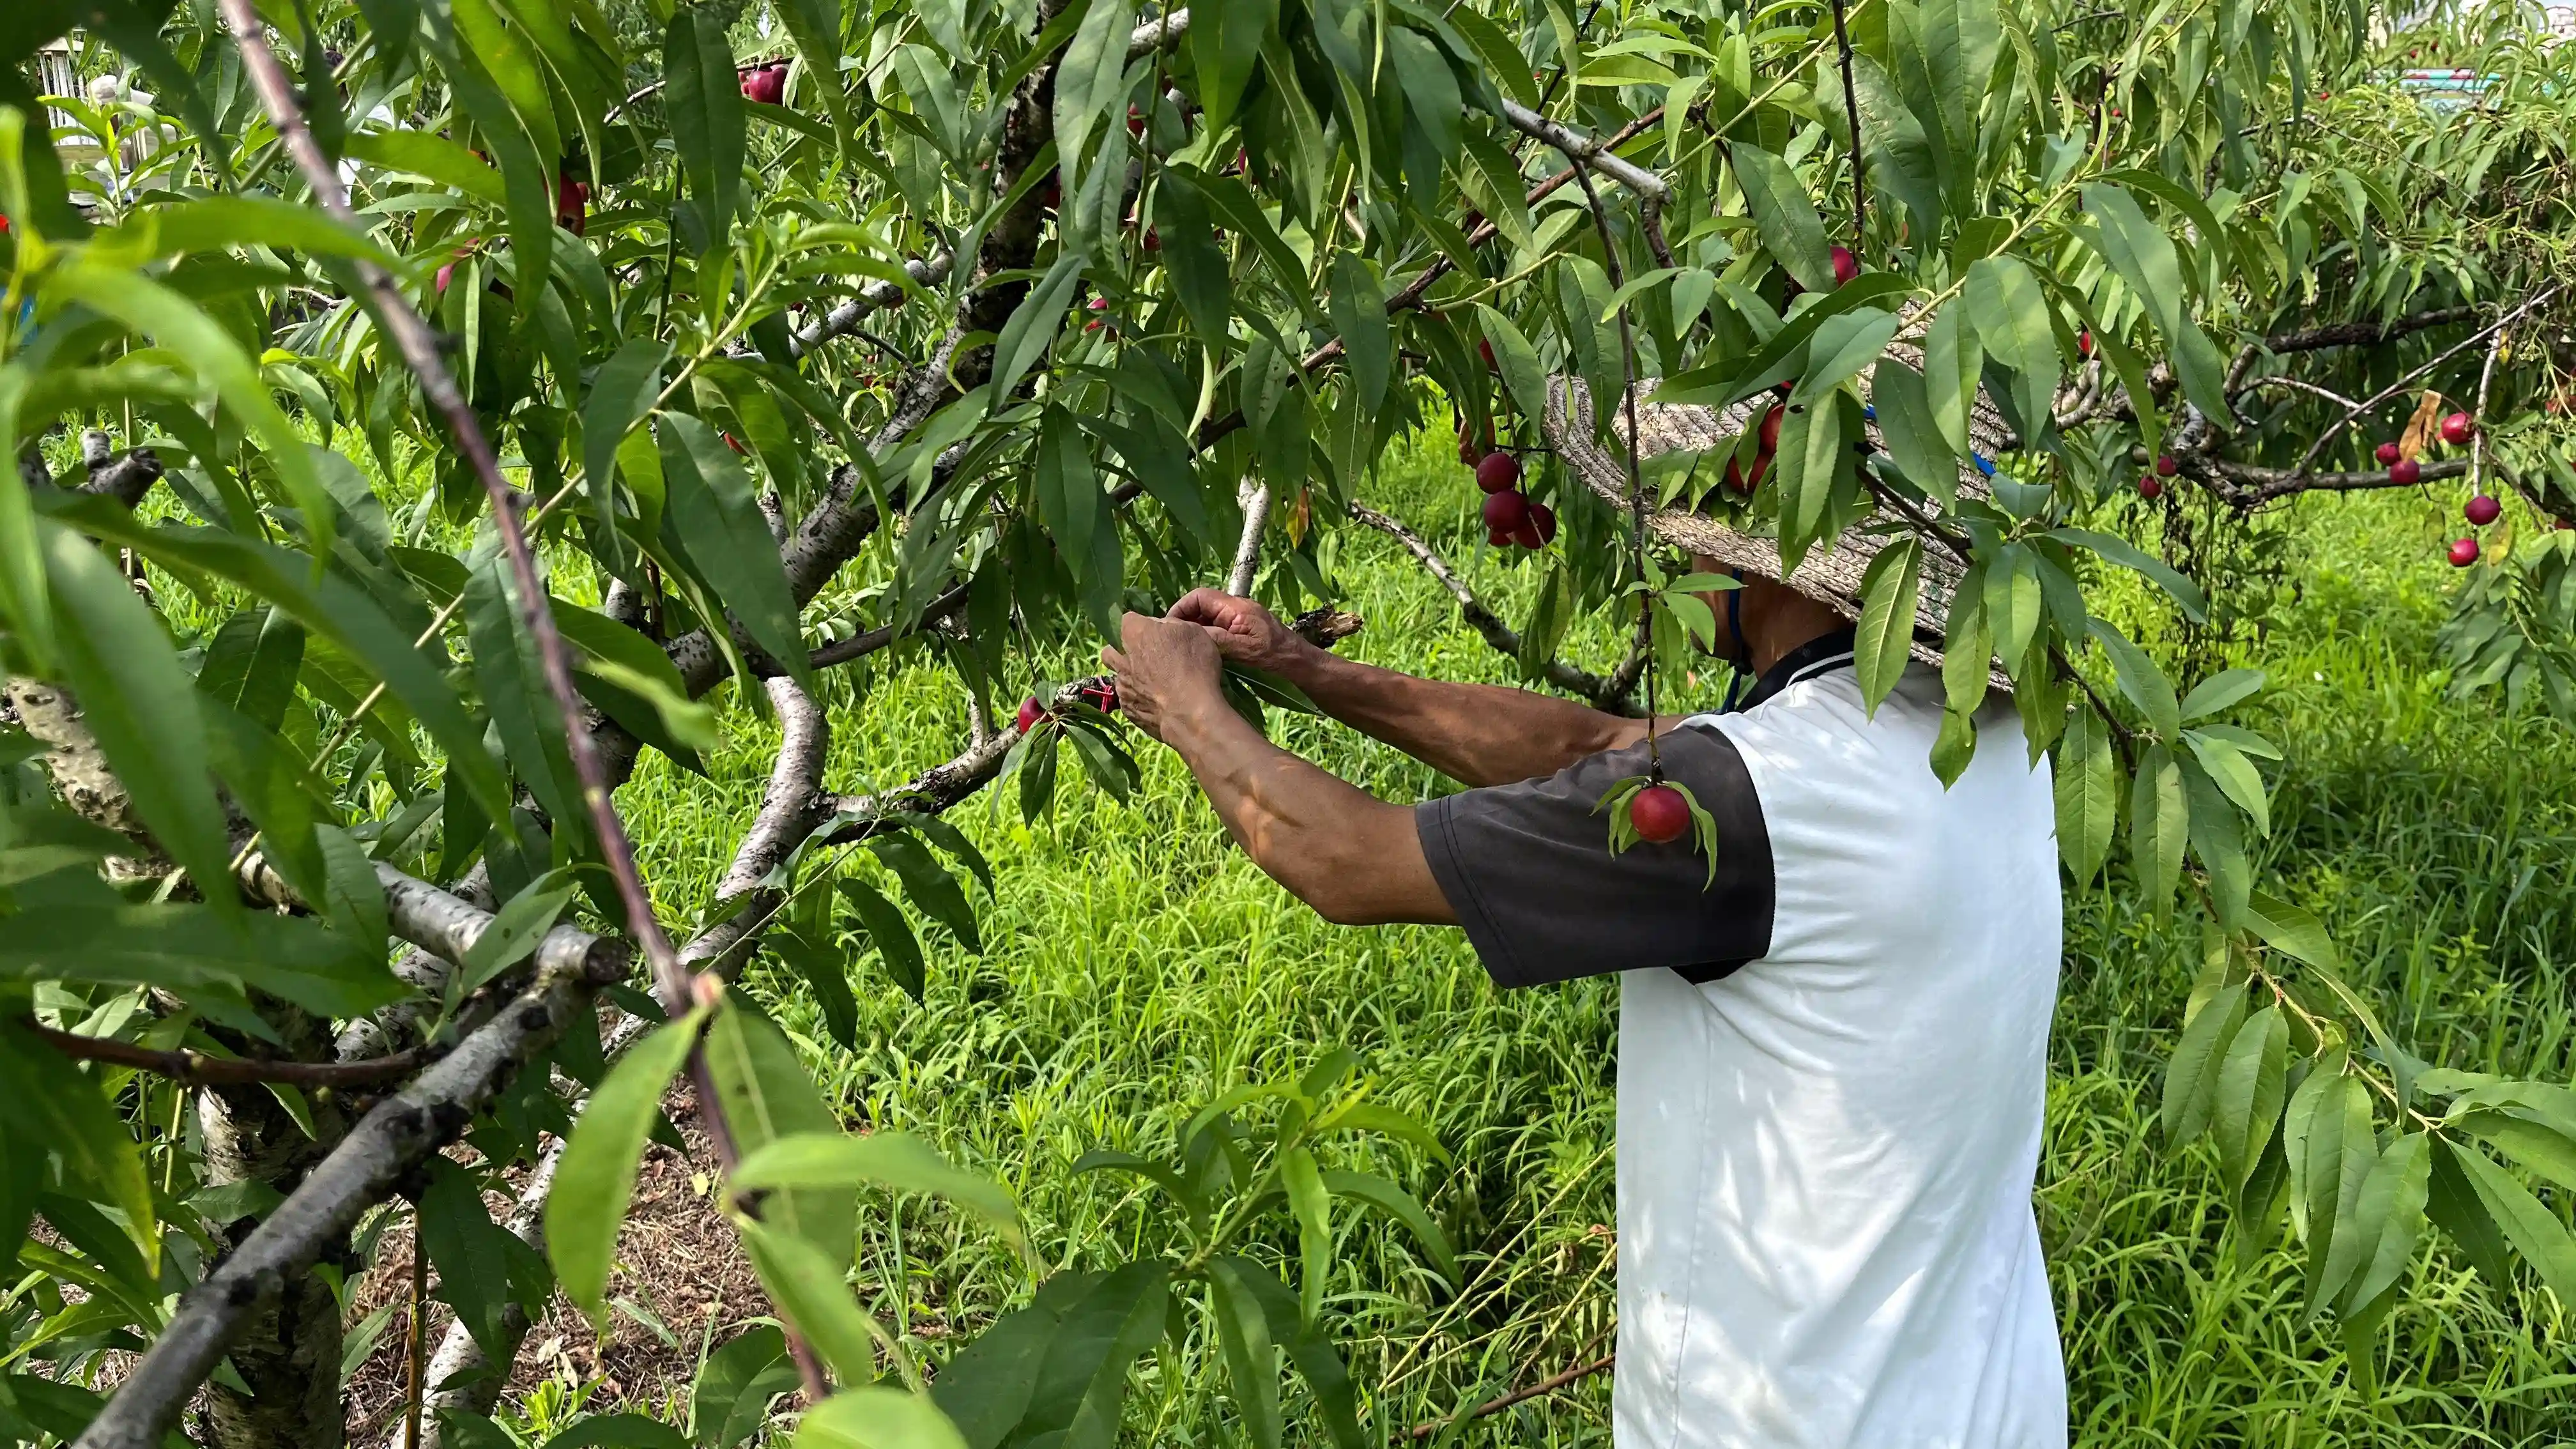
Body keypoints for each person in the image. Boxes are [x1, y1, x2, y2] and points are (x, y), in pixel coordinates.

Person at [1103, 546, 2067, 1448]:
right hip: (1991, 1399)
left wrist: (1186, 705)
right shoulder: (1976, 725)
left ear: (1770, 550)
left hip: (1785, 1418)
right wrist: (1305, 667)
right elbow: (1597, 743)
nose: (1684, 561)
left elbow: (1346, 862)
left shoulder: (1766, 796)